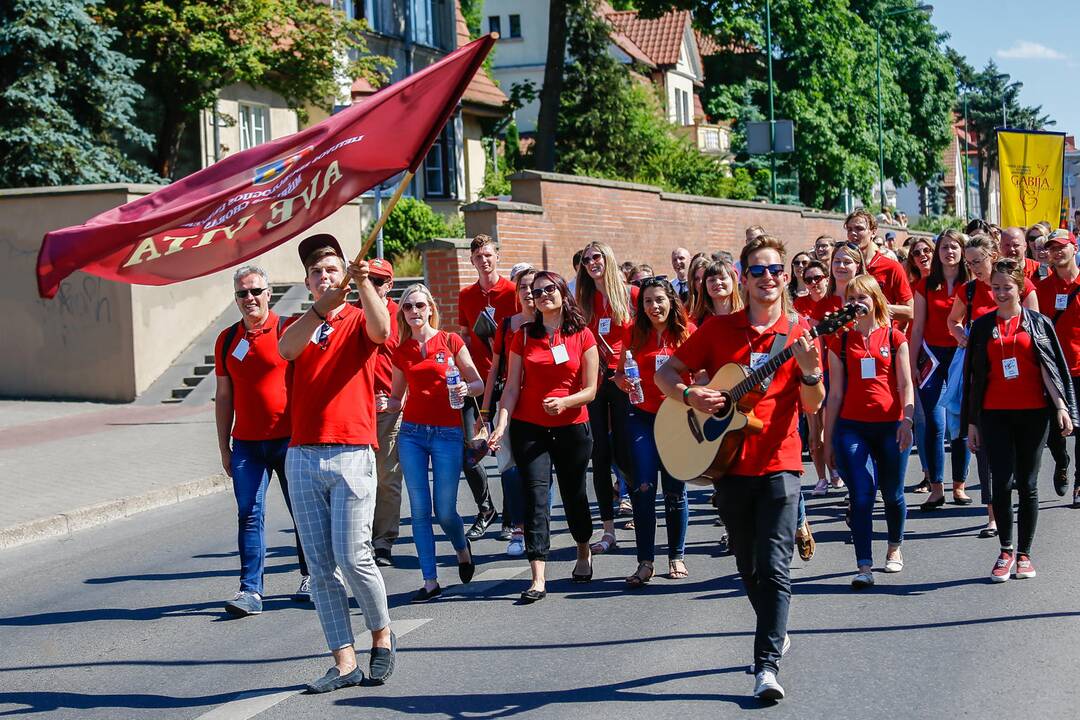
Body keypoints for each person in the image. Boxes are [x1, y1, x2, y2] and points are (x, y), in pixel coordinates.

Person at [656, 234, 824, 702]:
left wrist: (809, 372)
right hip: (728, 466)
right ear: (743, 281)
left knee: (774, 567)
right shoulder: (717, 330)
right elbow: (664, 375)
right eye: (757, 271)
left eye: (775, 270)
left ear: (785, 277)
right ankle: (775, 626)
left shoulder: (801, 331)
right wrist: (691, 395)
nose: (767, 278)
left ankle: (765, 666)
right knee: (748, 567)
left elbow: (813, 404)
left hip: (781, 463)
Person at [278, 234, 394, 694]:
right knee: (320, 567)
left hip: (351, 451)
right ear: (307, 282)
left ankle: (381, 637)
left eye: (332, 269)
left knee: (354, 556)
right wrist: (320, 308)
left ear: (344, 273)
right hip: (302, 454)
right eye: (317, 272)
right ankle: (343, 660)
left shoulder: (360, 317)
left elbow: (384, 332)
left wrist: (362, 283)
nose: (325, 277)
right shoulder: (300, 320)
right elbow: (286, 350)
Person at [489, 271, 600, 603]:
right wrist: (501, 424)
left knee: (573, 495)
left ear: (563, 293)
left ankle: (583, 551)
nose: (543, 296)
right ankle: (538, 575)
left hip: (572, 427)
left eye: (549, 289)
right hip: (530, 427)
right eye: (536, 293)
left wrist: (565, 401)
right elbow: (511, 387)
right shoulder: (523, 336)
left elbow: (592, 390)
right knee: (535, 498)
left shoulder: (583, 335)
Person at [963, 258, 1076, 582]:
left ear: (1020, 287)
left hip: (1033, 414)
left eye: (1006, 288)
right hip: (994, 414)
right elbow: (973, 377)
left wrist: (1061, 407)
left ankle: (1024, 554)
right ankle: (1006, 550)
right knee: (1001, 482)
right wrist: (972, 423)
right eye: (995, 287)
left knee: (1026, 484)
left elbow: (1049, 369)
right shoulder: (983, 326)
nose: (1000, 293)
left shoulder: (1038, 323)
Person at [215, 265, 308, 617]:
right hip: (247, 445)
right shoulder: (226, 339)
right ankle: (250, 591)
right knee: (248, 514)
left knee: (303, 512)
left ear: (269, 293)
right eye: (242, 293)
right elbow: (223, 397)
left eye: (255, 291)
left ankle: (311, 576)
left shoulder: (288, 330)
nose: (249, 298)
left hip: (290, 440)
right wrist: (224, 447)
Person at [387, 284, 481, 602]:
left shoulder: (450, 341)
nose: (414, 311)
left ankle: (461, 548)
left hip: (447, 434)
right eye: (408, 307)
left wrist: (465, 391)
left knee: (445, 511)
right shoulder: (402, 351)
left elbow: (478, 382)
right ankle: (430, 580)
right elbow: (396, 399)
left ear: (430, 308)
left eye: (419, 305)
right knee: (418, 510)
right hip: (412, 434)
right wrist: (376, 404)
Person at [944, 232, 1038, 533]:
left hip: (1021, 380)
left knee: (1021, 462)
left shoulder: (1016, 284)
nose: (974, 268)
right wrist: (964, 340)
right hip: (984, 380)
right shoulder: (968, 291)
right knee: (984, 450)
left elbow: (1037, 326)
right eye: (969, 263)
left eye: (978, 261)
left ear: (993, 255)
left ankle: (1024, 506)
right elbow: (953, 321)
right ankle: (993, 515)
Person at [824, 275, 914, 588]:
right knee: (861, 495)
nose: (857, 304)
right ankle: (863, 566)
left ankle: (894, 547)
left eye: (863, 297)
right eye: (851, 299)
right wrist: (827, 439)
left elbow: (905, 384)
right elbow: (834, 394)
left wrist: (908, 419)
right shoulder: (841, 341)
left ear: (876, 300)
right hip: (852, 427)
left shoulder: (894, 337)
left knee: (892, 494)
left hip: (890, 425)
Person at [614, 278, 694, 587]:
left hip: (677, 420)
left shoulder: (687, 333)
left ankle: (676, 555)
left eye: (659, 299)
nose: (654, 306)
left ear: (671, 301)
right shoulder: (634, 333)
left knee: (675, 489)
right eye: (647, 301)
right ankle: (645, 561)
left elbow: (701, 374)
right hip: (642, 418)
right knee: (643, 487)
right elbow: (620, 374)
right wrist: (624, 382)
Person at [576, 242, 637, 554]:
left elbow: (641, 335)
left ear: (608, 259)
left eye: (596, 257)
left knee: (628, 451)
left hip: (624, 378)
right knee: (599, 455)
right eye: (586, 260)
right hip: (596, 381)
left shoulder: (631, 294)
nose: (591, 263)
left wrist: (628, 367)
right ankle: (608, 529)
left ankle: (641, 514)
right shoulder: (584, 299)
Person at [457, 235, 517, 540]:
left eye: (489, 255)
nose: (484, 260)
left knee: (506, 452)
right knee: (470, 452)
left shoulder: (514, 293)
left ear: (498, 257)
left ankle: (511, 517)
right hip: (475, 383)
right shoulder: (466, 295)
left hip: (506, 381)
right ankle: (485, 508)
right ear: (472, 261)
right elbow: (465, 337)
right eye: (479, 256)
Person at [909, 230, 971, 499]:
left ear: (962, 251)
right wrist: (911, 363)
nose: (949, 251)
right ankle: (936, 487)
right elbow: (918, 325)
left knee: (958, 420)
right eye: (944, 247)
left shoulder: (971, 284)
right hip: (931, 358)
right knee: (935, 423)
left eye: (954, 246)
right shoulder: (925, 284)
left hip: (960, 355)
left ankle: (959, 485)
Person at [482, 265, 539, 556]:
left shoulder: (552, 322)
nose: (529, 292)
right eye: (523, 288)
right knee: (508, 465)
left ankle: (537, 526)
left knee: (539, 469)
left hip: (541, 403)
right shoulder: (507, 324)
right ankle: (518, 528)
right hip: (507, 401)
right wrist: (485, 411)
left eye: (534, 286)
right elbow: (494, 370)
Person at [1037, 230, 1080, 504]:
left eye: (1062, 247)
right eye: (1052, 248)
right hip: (1053, 371)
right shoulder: (1041, 288)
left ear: (1074, 248)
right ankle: (1061, 460)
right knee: (1054, 431)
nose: (1056, 252)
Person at [366, 258, 403, 568]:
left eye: (378, 282)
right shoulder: (353, 313)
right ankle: (361, 537)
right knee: (358, 479)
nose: (372, 286)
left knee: (386, 477)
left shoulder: (400, 317)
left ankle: (383, 541)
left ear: (389, 285)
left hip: (390, 406)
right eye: (367, 280)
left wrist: (399, 399)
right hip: (357, 407)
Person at [844, 209, 913, 323]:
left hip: (882, 334)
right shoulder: (844, 267)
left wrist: (871, 308)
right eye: (849, 229)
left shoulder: (892, 267)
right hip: (851, 336)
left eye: (859, 228)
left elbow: (910, 311)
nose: (853, 233)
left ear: (873, 232)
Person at [690, 258, 743, 325]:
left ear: (733, 281)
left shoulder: (749, 317)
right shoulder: (698, 323)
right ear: (705, 286)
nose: (717, 282)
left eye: (723, 278)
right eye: (712, 280)